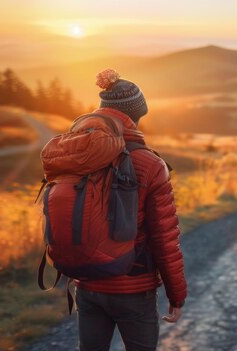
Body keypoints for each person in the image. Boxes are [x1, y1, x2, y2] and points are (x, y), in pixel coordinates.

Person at [74, 69, 187, 350]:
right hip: (133, 288)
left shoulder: (76, 153)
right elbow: (164, 237)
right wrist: (176, 295)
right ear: (136, 115)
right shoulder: (150, 164)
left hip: (87, 284)